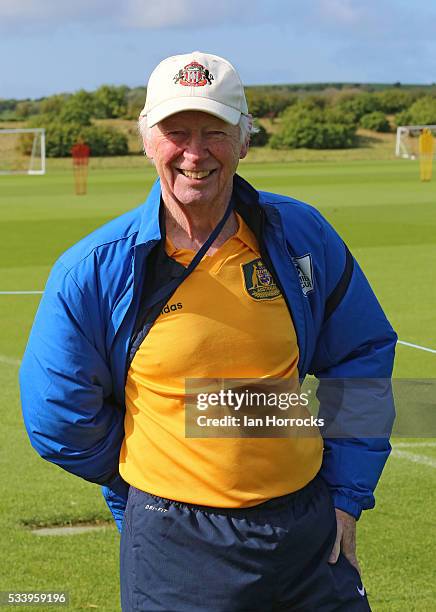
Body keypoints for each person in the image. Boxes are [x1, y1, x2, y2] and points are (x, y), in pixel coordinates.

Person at [20, 52, 396, 611]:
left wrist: (344, 495)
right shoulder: (93, 269)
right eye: (176, 132)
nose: (195, 153)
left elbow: (361, 354)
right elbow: (57, 416)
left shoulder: (301, 234)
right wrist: (144, 479)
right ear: (147, 139)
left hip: (307, 530)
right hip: (176, 540)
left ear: (245, 140)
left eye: (214, 131)